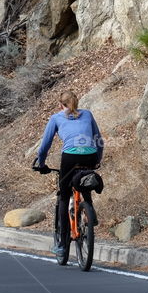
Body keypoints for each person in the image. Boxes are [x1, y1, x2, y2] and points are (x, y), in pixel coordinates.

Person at [35, 90, 104, 256]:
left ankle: (63, 245)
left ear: (60, 105)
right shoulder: (87, 114)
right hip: (90, 155)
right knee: (84, 181)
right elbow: (99, 140)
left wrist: (42, 164)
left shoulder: (56, 118)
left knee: (65, 196)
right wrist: (97, 160)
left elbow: (44, 146)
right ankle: (89, 210)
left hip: (70, 157)